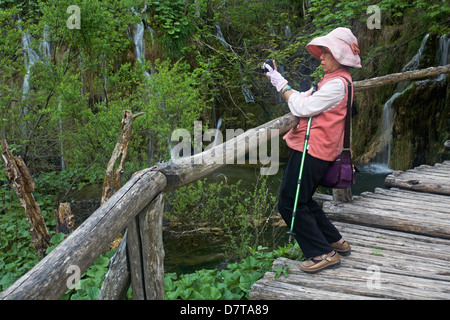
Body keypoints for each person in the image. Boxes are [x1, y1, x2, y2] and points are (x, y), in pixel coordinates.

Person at [264, 27, 362, 273]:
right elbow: (303, 98)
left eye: (326, 53)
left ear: (339, 57)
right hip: (318, 150)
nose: (321, 57)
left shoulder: (337, 85)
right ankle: (335, 241)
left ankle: (323, 254)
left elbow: (302, 107)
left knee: (289, 203)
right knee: (303, 199)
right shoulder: (334, 82)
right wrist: (278, 79)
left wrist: (282, 86)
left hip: (313, 151)